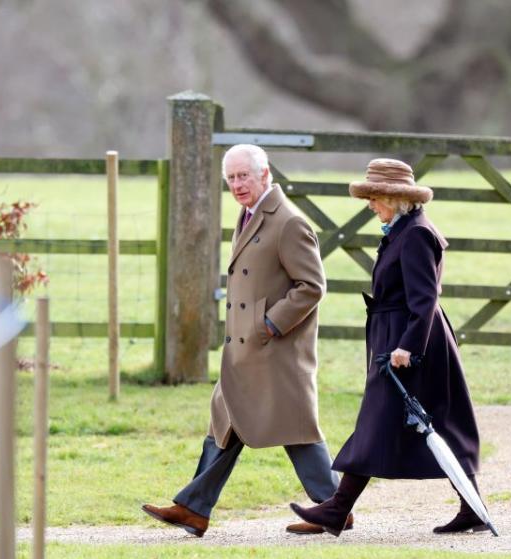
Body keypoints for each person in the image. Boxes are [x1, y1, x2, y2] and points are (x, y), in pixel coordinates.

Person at [142, 144, 350, 537]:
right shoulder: (250, 214)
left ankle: (332, 508)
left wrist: (269, 324)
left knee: (296, 428)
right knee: (225, 421)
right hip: (246, 351)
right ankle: (194, 508)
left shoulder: (288, 221)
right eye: (231, 178)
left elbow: (312, 286)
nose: (236, 185)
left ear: (265, 174)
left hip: (274, 351)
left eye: (243, 176)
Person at [289, 158, 490, 536]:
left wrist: (407, 349)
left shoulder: (415, 234)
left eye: (374, 197)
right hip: (399, 337)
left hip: (410, 344)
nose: (370, 205)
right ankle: (471, 508)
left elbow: (425, 298)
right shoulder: (404, 229)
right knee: (402, 423)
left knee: (390, 421)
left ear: (394, 199)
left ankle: (337, 509)